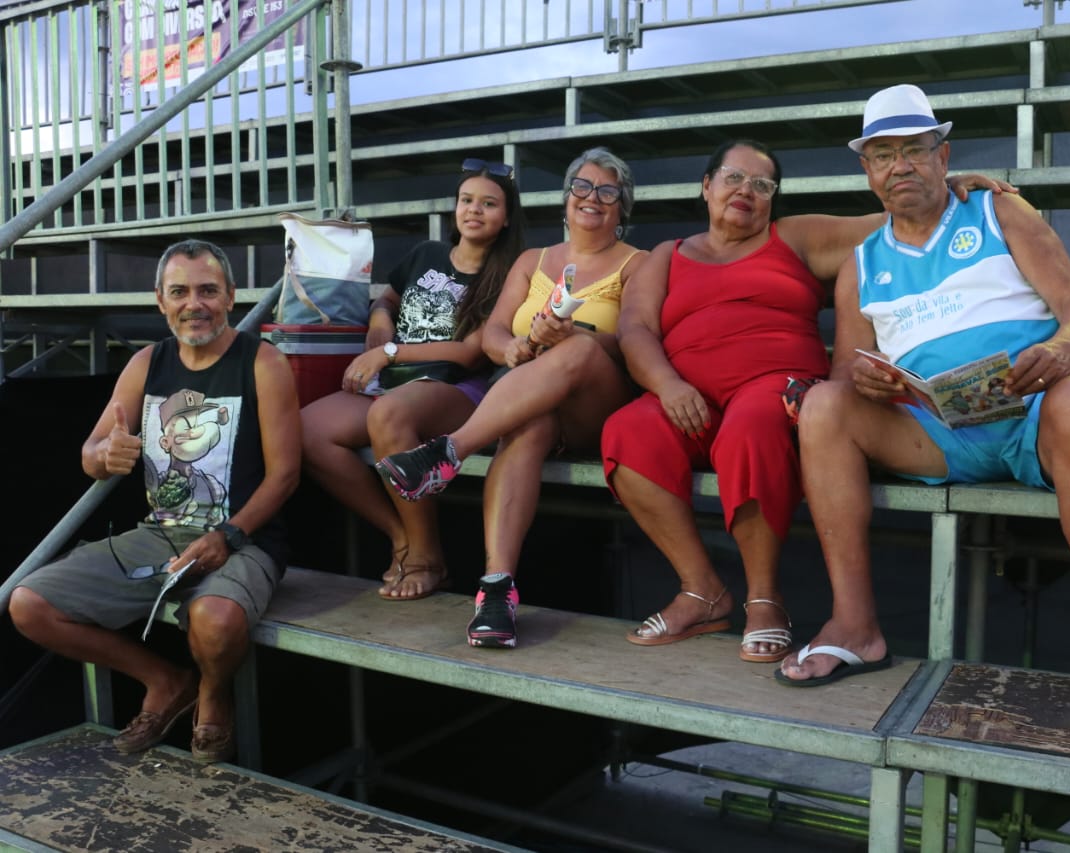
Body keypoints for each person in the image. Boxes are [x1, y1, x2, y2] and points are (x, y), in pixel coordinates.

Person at [777, 85, 1070, 730]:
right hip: (937, 428)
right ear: (867, 170)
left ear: (943, 154)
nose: (899, 165)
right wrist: (864, 379)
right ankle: (855, 623)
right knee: (824, 406)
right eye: (883, 154)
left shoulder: (998, 212)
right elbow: (848, 365)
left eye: (914, 149)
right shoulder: (861, 263)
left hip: (1036, 412)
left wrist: (1062, 349)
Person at [601, 140, 1015, 664]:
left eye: (761, 185)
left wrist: (944, 188)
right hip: (686, 396)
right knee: (625, 431)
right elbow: (635, 329)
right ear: (706, 186)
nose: (745, 191)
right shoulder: (667, 255)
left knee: (750, 426)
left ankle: (764, 599)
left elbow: (891, 218)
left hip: (774, 386)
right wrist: (666, 385)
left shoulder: (793, 237)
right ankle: (702, 589)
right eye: (733, 178)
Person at [8, 239, 302, 762]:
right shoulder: (147, 362)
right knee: (30, 604)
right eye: (180, 292)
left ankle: (212, 693)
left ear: (231, 296)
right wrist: (107, 454)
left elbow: (284, 476)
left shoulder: (263, 363)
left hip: (244, 537)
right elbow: (91, 453)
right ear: (160, 301)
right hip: (160, 534)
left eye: (209, 290)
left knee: (214, 619)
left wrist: (228, 536)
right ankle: (166, 682)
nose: (196, 303)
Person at [376, 147, 647, 649]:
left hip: (599, 404)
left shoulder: (640, 264)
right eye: (582, 188)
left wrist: (570, 337)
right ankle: (496, 591)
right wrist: (517, 347)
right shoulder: (533, 260)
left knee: (582, 346)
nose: (593, 198)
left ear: (622, 206)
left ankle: (450, 450)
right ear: (566, 200)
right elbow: (493, 335)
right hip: (535, 401)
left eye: (608, 192)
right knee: (527, 428)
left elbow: (635, 340)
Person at [300, 160, 526, 600]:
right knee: (307, 431)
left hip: (458, 390)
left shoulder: (507, 273)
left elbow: (469, 352)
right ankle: (400, 534)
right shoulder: (426, 254)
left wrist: (387, 353)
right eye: (466, 200)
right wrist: (381, 326)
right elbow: (387, 297)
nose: (473, 210)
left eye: (488, 204)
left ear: (507, 218)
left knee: (387, 415)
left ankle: (427, 556)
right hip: (397, 382)